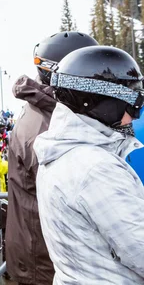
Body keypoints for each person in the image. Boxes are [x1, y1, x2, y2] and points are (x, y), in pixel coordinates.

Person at [35, 45, 144, 283]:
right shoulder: (95, 169)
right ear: (104, 100)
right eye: (132, 99)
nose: (135, 113)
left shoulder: (62, 153)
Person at [5, 31, 97, 285]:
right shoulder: (49, 127)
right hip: (43, 261)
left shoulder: (48, 111)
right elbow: (81, 195)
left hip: (41, 254)